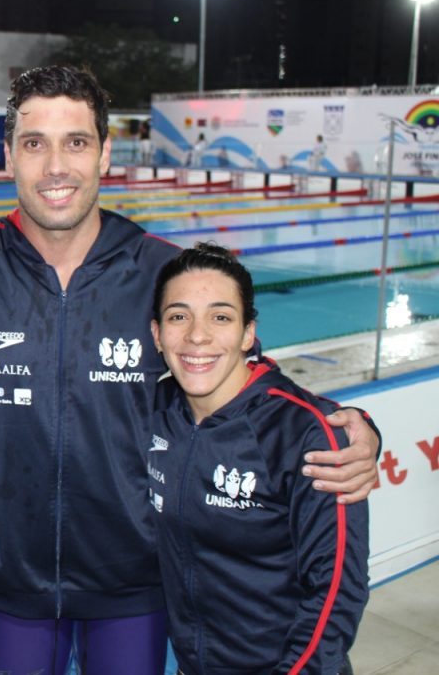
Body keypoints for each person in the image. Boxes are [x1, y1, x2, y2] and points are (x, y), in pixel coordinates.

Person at [0, 65, 379, 674]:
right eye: (34, 143)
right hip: (13, 581)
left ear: (105, 154)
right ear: (9, 156)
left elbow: (252, 388)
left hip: (135, 584)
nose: (54, 167)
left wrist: (355, 425)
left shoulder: (163, 272)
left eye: (75, 142)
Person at [148, 242, 369, 673]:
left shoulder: (303, 435)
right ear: (157, 334)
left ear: (248, 332)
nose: (197, 335)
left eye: (220, 316)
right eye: (179, 316)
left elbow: (336, 590)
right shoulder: (154, 412)